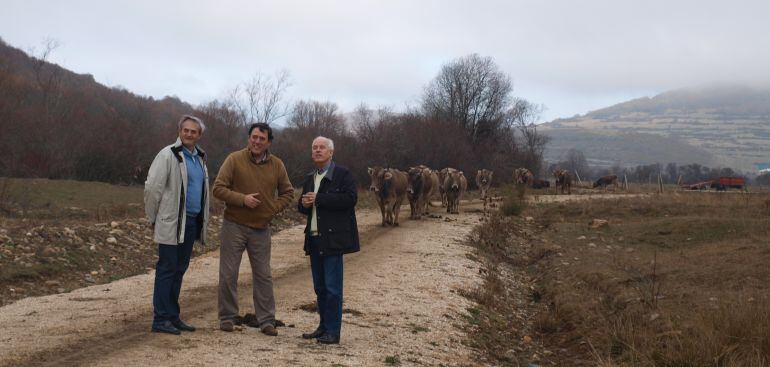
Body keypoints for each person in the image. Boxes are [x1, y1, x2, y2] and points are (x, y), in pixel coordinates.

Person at [213, 122, 294, 336]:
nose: (257, 141)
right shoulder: (234, 159)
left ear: (269, 142)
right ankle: (227, 317)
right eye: (254, 137)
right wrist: (242, 199)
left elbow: (288, 193)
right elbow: (218, 188)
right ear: (249, 138)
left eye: (262, 138)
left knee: (263, 276)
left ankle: (266, 320)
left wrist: (272, 209)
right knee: (228, 274)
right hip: (234, 225)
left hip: (261, 228)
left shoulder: (277, 165)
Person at [145, 114, 210, 335]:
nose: (189, 134)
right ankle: (160, 319)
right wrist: (153, 218)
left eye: (194, 131)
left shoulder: (199, 158)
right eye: (186, 130)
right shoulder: (168, 155)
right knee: (167, 269)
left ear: (199, 135)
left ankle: (172, 316)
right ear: (179, 131)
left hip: (191, 223)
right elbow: (152, 188)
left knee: (179, 270)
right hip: (171, 223)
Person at [298, 136, 360, 344]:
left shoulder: (343, 174)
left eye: (321, 147)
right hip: (314, 238)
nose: (317, 150)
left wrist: (319, 199)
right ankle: (323, 327)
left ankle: (333, 332)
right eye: (314, 147)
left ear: (331, 152)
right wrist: (304, 204)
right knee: (320, 288)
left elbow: (350, 199)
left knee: (333, 289)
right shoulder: (309, 177)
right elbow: (302, 207)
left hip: (333, 240)